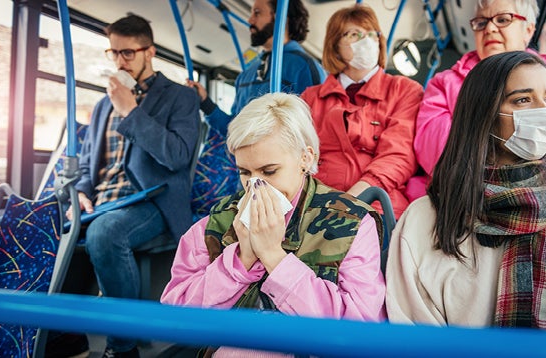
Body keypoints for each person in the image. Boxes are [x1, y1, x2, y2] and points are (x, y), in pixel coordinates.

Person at [161, 93, 386, 356]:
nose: (255, 186)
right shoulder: (217, 222)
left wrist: (274, 258)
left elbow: (360, 328)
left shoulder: (353, 223)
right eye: (245, 172)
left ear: (305, 158)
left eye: (269, 172)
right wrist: (241, 259)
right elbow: (177, 317)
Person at [386, 51, 546, 331]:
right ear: (483, 113)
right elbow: (414, 331)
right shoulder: (425, 220)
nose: (543, 113)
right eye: (522, 100)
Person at [68, 15, 201, 357]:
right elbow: (87, 164)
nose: (119, 62)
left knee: (104, 233)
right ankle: (61, 337)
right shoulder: (101, 105)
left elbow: (178, 156)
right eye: (113, 53)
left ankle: (122, 347)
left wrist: (131, 111)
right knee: (48, 222)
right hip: (102, 201)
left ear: (149, 52)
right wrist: (81, 191)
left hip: (152, 201)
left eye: (127, 53)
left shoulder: (180, 98)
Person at [409, 0, 546, 201]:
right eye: (481, 23)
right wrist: (496, 182)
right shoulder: (444, 84)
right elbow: (436, 148)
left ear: (528, 30)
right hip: (465, 195)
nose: (489, 28)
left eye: (503, 20)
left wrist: (541, 184)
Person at [301, 4, 423, 219]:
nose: (366, 41)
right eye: (354, 34)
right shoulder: (311, 98)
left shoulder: (405, 90)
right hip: (315, 204)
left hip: (378, 204)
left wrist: (349, 201)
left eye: (372, 34)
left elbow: (398, 155)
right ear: (335, 45)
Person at [188, 0, 326, 136]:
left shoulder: (305, 68)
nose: (250, 20)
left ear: (281, 18)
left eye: (257, 13)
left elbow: (318, 131)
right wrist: (206, 103)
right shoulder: (246, 74)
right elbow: (235, 132)